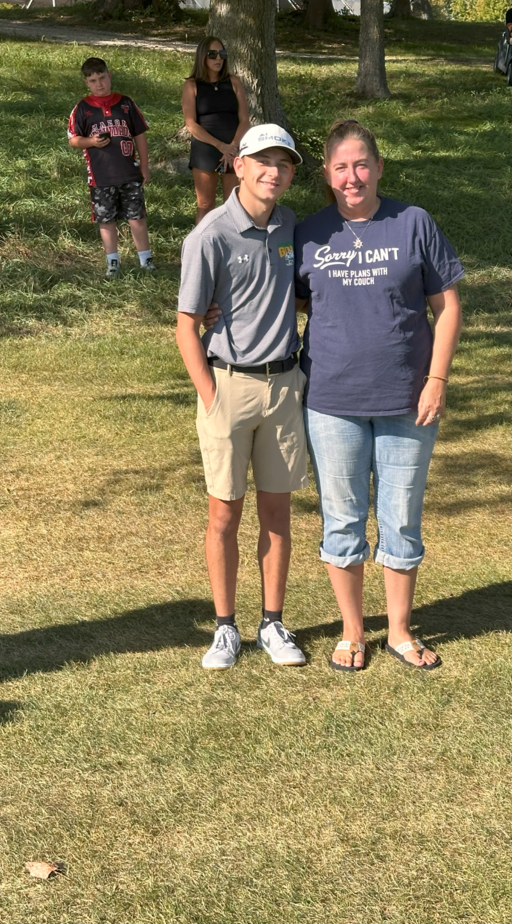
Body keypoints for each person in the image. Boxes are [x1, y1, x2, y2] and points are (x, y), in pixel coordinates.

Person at [295, 120, 464, 673]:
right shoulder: (309, 232)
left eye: (362, 164)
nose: (353, 176)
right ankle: (351, 633)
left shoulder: (414, 222)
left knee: (401, 518)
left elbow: (448, 307)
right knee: (342, 519)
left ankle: (398, 630)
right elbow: (290, 299)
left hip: (408, 399)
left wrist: (436, 379)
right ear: (326, 173)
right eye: (341, 167)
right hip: (331, 399)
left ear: (379, 166)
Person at [176, 124, 309, 670]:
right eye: (262, 160)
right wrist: (210, 395)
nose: (273, 171)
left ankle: (273, 623)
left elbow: (295, 294)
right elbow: (186, 325)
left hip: (283, 386)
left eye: (284, 162)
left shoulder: (290, 224)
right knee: (223, 514)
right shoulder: (209, 234)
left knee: (277, 513)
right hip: (227, 385)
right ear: (239, 166)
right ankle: (226, 627)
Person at [68, 57, 155, 281]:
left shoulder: (125, 103)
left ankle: (146, 260)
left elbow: (140, 135)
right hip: (101, 176)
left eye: (102, 78)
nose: (99, 84)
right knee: (106, 220)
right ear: (86, 82)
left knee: (137, 217)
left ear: (110, 76)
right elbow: (73, 139)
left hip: (129, 172)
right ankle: (112, 262)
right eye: (93, 80)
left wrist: (144, 166)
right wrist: (91, 142)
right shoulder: (83, 108)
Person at [182, 37, 250, 224]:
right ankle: (201, 246)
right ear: (202, 56)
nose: (218, 59)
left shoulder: (234, 82)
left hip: (233, 148)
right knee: (205, 203)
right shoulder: (192, 85)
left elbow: (245, 119)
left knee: (234, 203)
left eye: (222, 54)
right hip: (206, 149)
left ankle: (233, 245)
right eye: (212, 54)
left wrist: (233, 147)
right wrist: (221, 146)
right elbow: (191, 124)